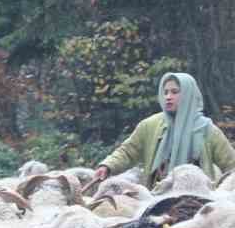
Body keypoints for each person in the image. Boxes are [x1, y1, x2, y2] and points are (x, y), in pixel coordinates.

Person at [95, 72, 235, 186]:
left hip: (197, 199)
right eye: (165, 92)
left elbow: (231, 165)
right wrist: (107, 166)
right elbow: (127, 152)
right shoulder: (150, 125)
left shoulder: (207, 130)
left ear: (188, 94)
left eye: (174, 92)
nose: (168, 97)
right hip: (156, 198)